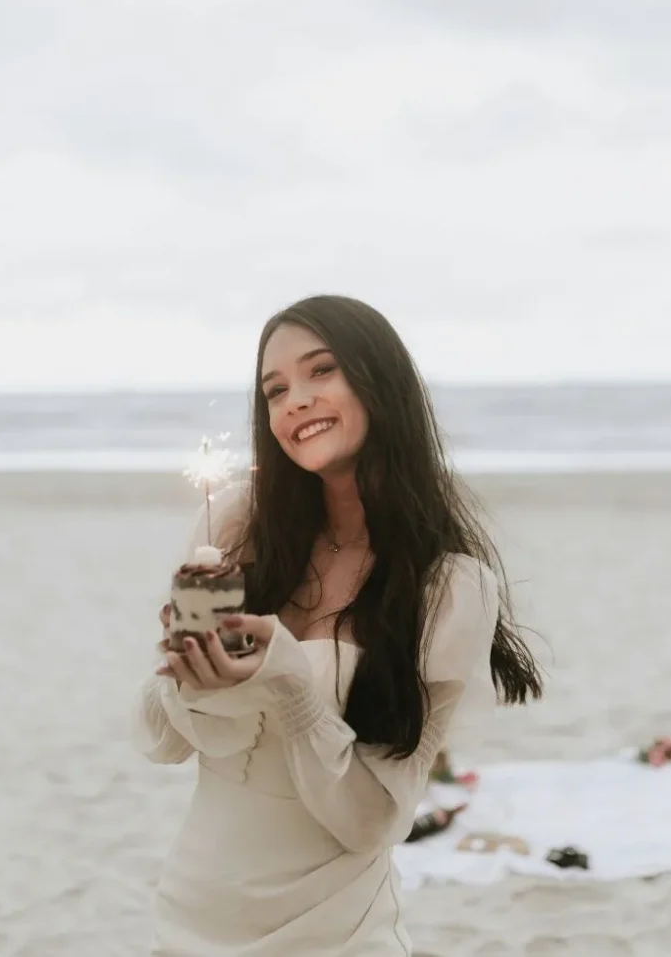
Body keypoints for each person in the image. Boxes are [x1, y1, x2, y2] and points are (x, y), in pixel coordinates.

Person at [132, 294, 542, 957]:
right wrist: (190, 682)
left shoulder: (452, 587)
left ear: (380, 380)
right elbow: (161, 741)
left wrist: (291, 686)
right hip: (193, 917)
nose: (294, 399)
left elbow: (373, 822)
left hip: (334, 932)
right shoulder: (236, 525)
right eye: (275, 389)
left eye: (321, 371)